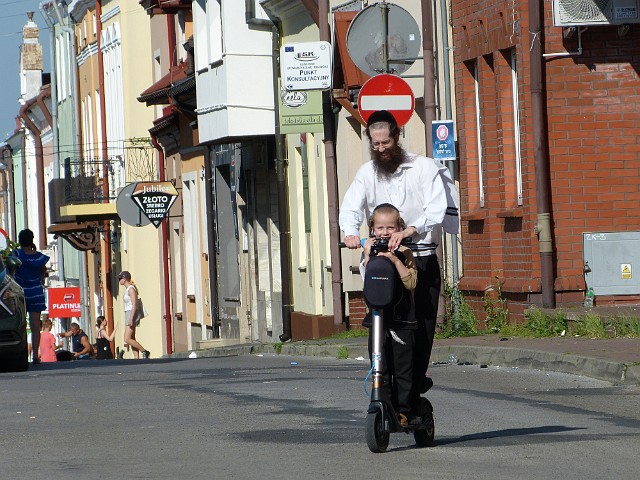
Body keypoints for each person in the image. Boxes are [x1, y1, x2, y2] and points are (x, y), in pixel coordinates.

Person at [339, 110, 448, 396]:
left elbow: (436, 209)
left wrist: (410, 230)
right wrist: (351, 232)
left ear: (396, 137)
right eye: (375, 145)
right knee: (382, 324)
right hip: (382, 264)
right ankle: (384, 384)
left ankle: (413, 384)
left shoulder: (424, 168)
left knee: (421, 327)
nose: (381, 150)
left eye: (385, 143)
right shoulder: (367, 172)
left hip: (419, 257)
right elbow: (351, 206)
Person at [362, 203, 418, 425]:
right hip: (377, 322)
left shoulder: (405, 253)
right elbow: (368, 282)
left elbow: (411, 283)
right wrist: (368, 255)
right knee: (380, 367)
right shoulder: (371, 253)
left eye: (390, 228)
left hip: (402, 320)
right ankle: (382, 404)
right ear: (372, 229)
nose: (385, 233)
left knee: (403, 369)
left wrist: (395, 260)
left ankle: (404, 409)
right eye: (380, 228)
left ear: (399, 228)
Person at [14, 229, 50, 364]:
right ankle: (35, 355)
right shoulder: (39, 257)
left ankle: (22, 352)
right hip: (36, 292)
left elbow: (11, 269)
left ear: (19, 240)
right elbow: (43, 271)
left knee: (21, 324)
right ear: (32, 240)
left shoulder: (17, 255)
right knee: (35, 326)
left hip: (20, 293)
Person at [118, 271, 150, 359]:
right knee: (132, 337)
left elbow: (134, 304)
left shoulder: (131, 289)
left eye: (120, 278)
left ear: (125, 279)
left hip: (131, 313)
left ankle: (144, 351)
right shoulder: (128, 289)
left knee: (127, 338)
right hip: (128, 313)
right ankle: (136, 357)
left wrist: (131, 318)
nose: (119, 280)